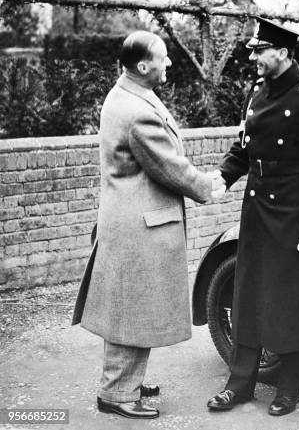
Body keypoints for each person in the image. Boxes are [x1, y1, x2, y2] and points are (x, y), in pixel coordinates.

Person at [72, 30, 223, 419]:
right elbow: (168, 166)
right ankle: (118, 394)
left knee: (131, 307)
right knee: (131, 309)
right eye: (164, 57)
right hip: (140, 226)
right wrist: (208, 187)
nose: (169, 62)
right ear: (144, 66)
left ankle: (124, 383)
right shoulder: (137, 111)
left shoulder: (127, 93)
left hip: (129, 219)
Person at [206, 17, 299, 416]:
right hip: (258, 209)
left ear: (283, 53)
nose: (253, 58)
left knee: (292, 301)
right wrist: (222, 177)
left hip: (296, 214)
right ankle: (239, 385)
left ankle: (288, 387)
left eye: (259, 51)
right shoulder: (256, 94)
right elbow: (243, 147)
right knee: (248, 296)